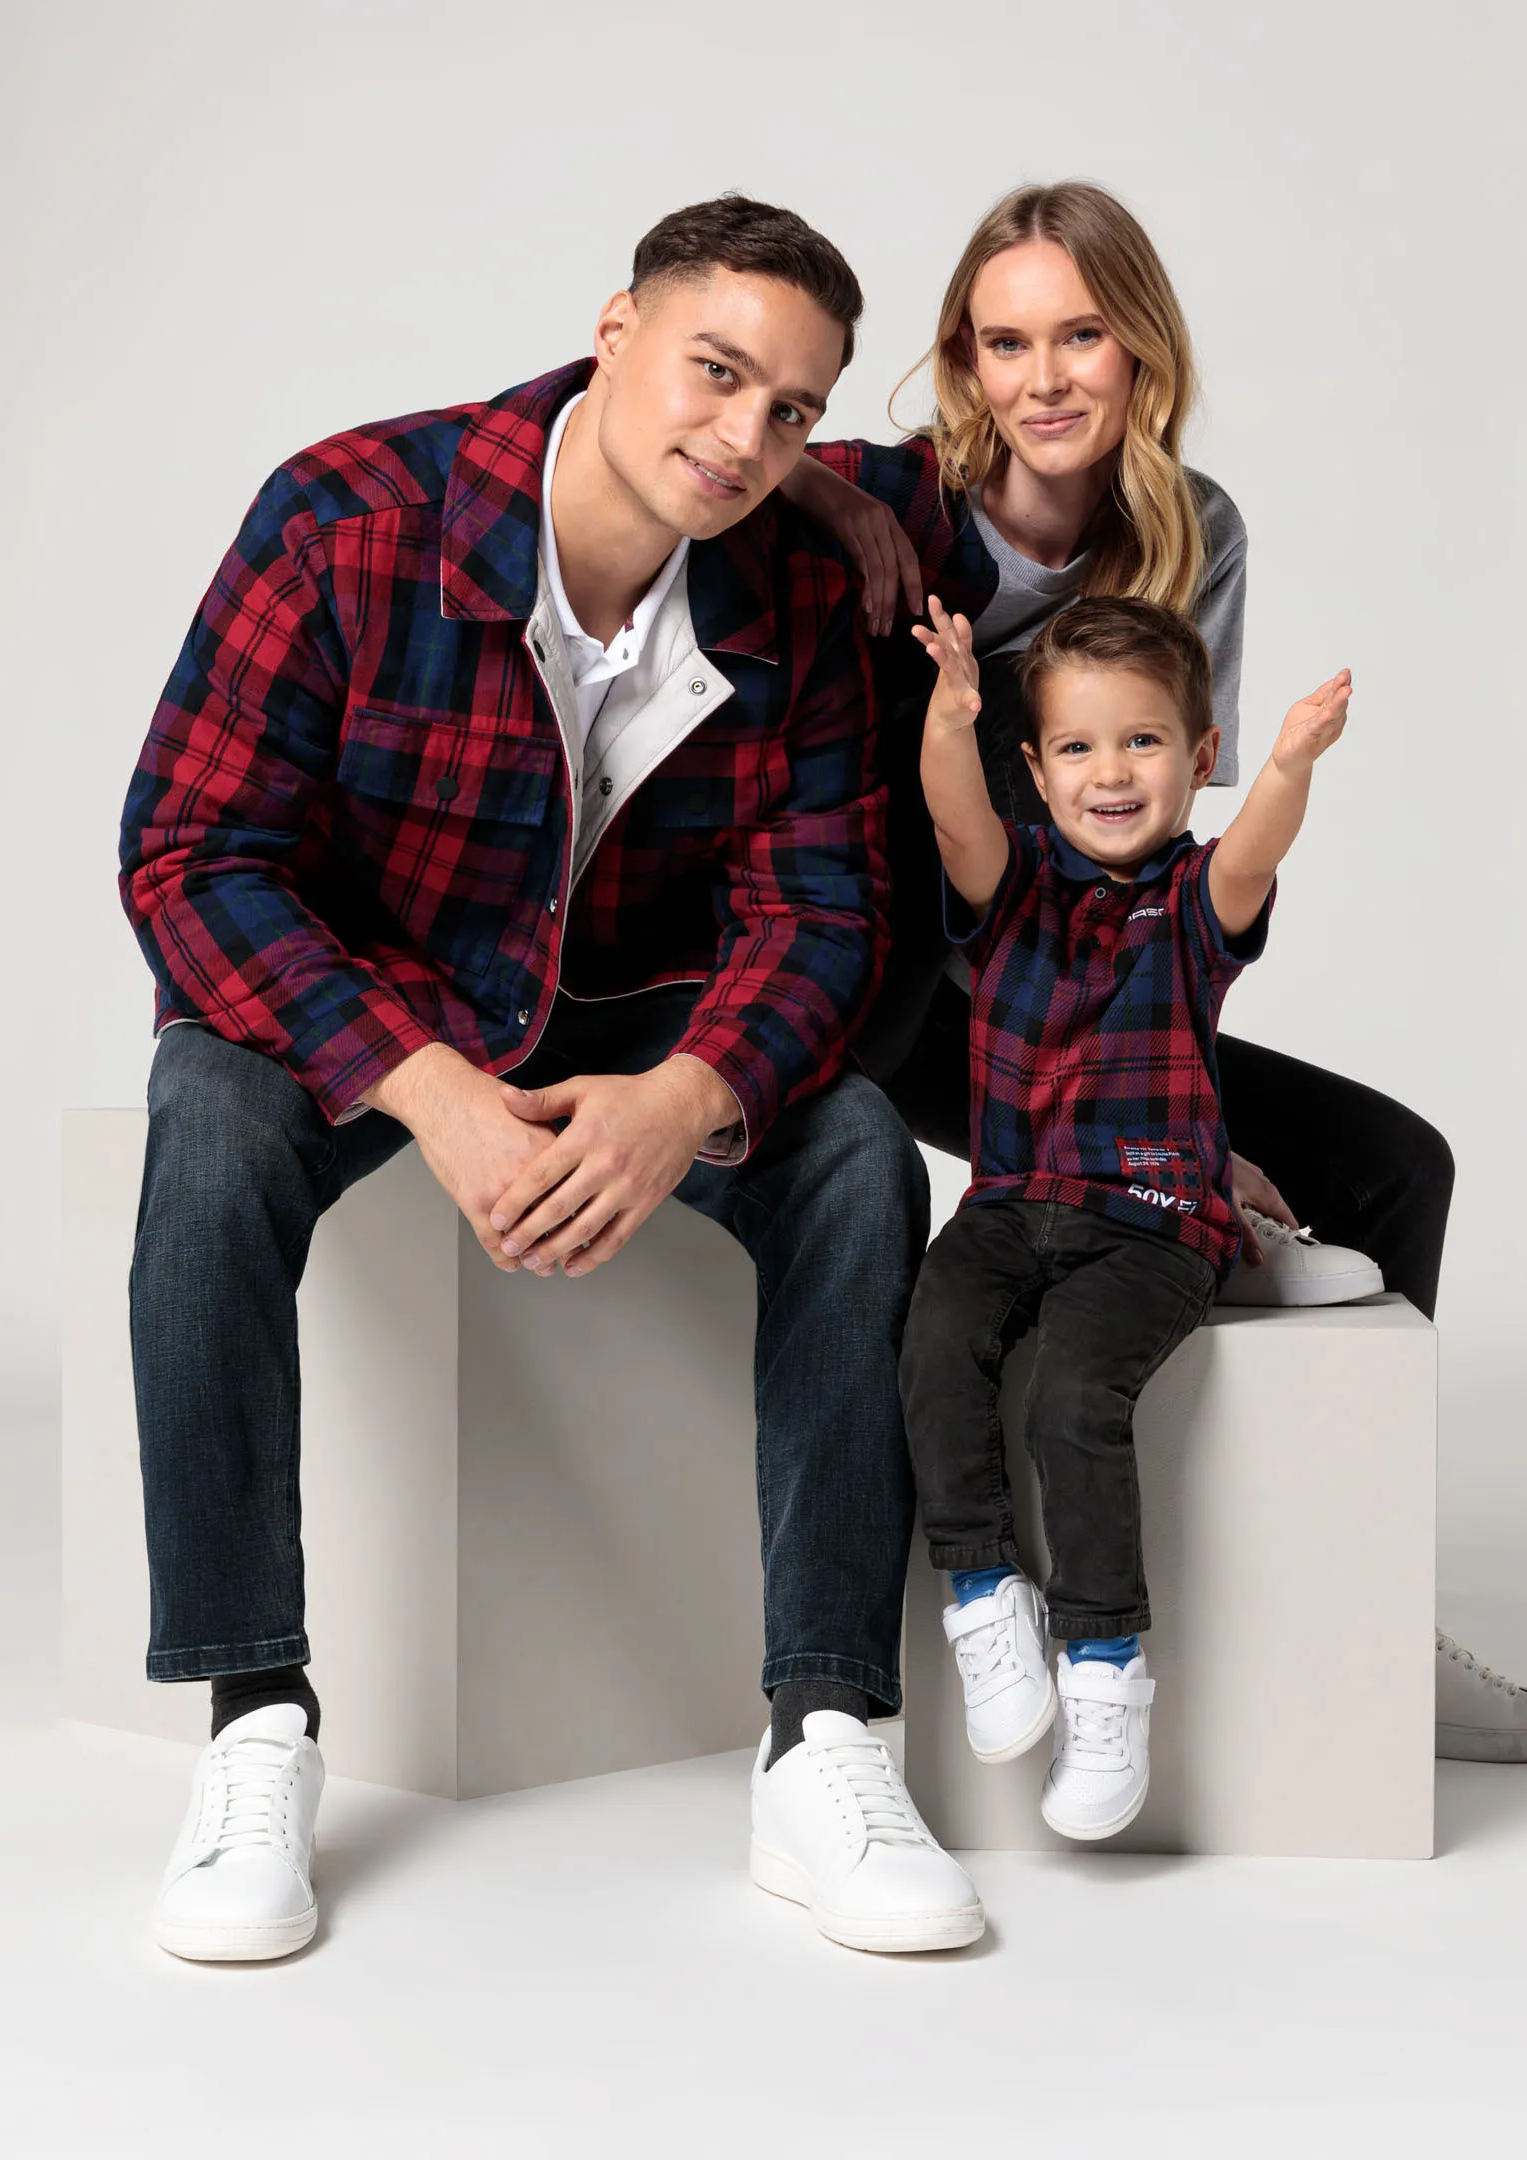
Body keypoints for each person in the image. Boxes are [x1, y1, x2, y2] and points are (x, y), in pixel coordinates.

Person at [119, 195, 983, 1963]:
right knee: (204, 1126)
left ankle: (825, 1732)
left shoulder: (800, 579)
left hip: (640, 1012)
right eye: (714, 372)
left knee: (856, 1150)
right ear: (614, 330)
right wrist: (424, 1086)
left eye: (792, 412)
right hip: (374, 1001)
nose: (742, 438)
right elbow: (191, 854)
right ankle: (253, 1723)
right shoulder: (345, 519)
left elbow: (825, 904)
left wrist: (693, 1092)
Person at [781, 180, 1527, 1764]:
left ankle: (1372, 1609)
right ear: (962, 362)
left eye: (1082, 334)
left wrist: (1167, 1126)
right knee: (971, 815)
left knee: (1392, 1167)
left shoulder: (1191, 530)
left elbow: (1145, 877)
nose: (1045, 378)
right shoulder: (898, 505)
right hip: (882, 986)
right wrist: (834, 494)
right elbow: (698, 435)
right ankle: (973, 1599)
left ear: (1142, 348)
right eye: (1005, 341)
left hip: (1068, 999)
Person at [900, 592, 1348, 1835]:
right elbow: (953, 814)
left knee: (1073, 1399)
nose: (1111, 773)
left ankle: (1104, 1667)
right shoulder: (1011, 889)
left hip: (1152, 1219)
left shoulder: (1196, 904)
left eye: (1144, 742)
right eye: (1079, 747)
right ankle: (984, 1591)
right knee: (934, 1339)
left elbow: (1254, 852)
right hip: (1009, 1204)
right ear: (1037, 769)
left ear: (1197, 759)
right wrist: (949, 719)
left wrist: (1288, 765)